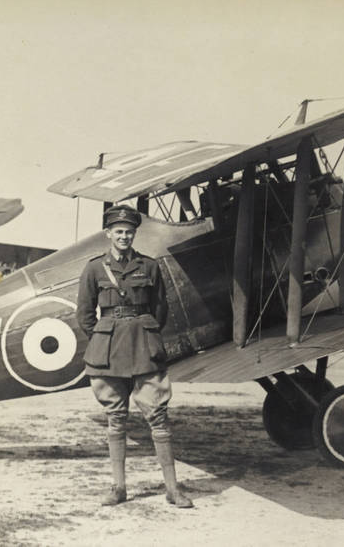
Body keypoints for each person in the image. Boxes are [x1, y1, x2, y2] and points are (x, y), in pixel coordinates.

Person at [76, 205, 193, 508]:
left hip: (144, 348)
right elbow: (85, 314)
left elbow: (160, 308)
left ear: (134, 234)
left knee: (158, 417)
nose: (124, 236)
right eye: (118, 231)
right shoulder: (94, 269)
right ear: (108, 234)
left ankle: (172, 489)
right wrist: (104, 339)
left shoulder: (149, 266)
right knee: (116, 419)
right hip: (109, 352)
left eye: (129, 232)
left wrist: (146, 333)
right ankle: (118, 488)